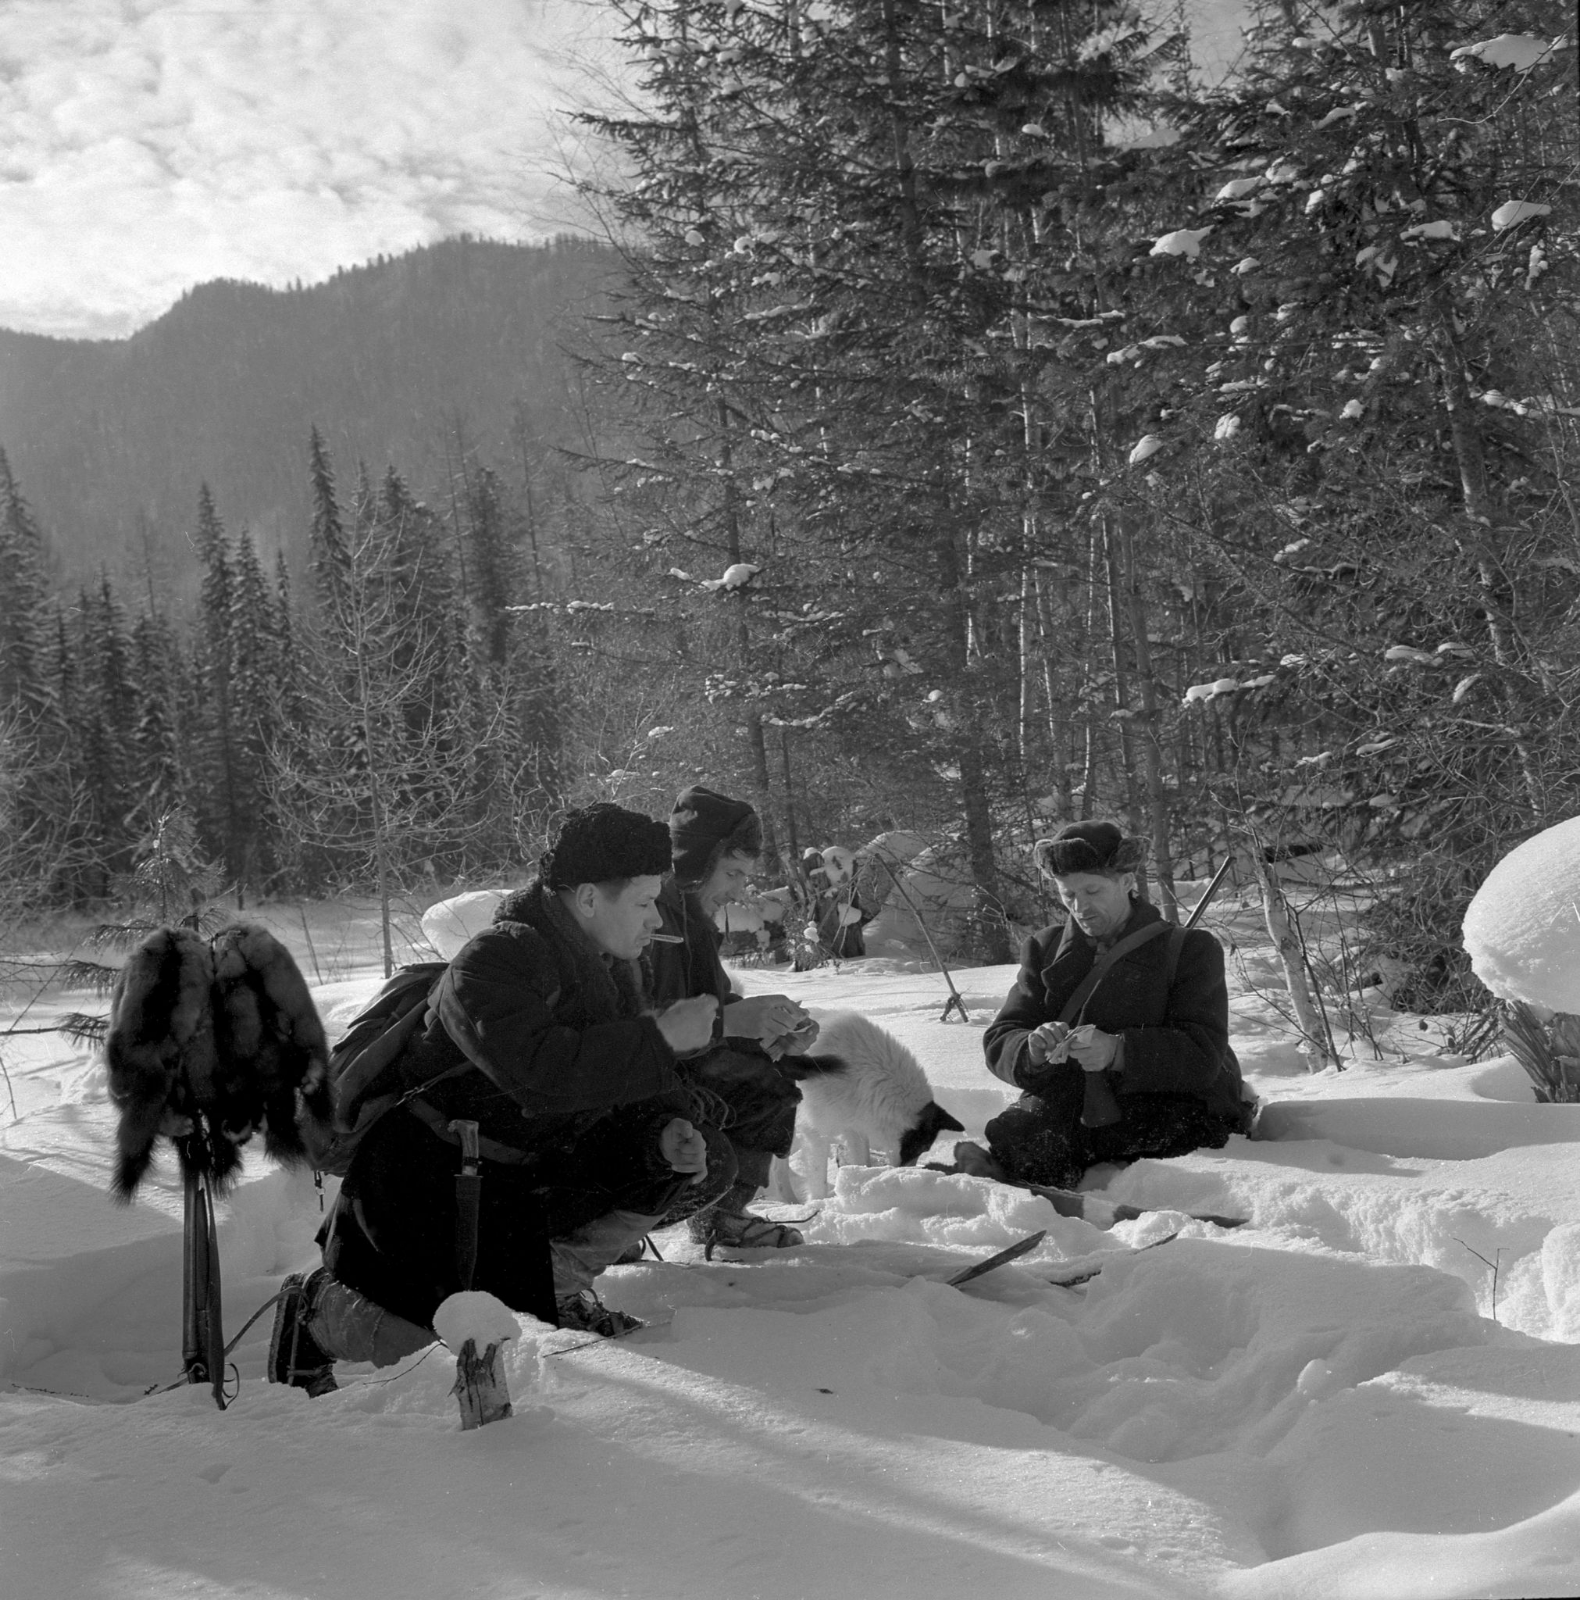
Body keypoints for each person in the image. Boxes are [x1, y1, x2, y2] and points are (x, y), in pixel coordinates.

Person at [269, 803, 729, 1395]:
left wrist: (662, 1127)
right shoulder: (498, 958)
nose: (655, 920)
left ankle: (553, 1295)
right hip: (430, 1184)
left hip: (519, 1179)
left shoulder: (608, 968)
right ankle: (313, 1313)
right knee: (434, 1342)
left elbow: (607, 1080)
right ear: (588, 898)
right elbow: (539, 1073)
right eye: (643, 902)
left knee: (672, 1164)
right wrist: (660, 1037)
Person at [955, 820, 1246, 1190]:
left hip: (1173, 1102)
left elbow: (1203, 1055)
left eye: (1092, 890)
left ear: (1126, 881)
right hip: (1075, 1099)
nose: (1080, 906)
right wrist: (1031, 1050)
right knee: (1020, 1133)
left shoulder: (1190, 950)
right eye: (1068, 894)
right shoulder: (1044, 948)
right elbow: (1001, 1036)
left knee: (1061, 1138)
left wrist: (1118, 1051)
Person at [646, 785, 818, 1250]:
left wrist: (772, 1032)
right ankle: (616, 1228)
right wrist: (734, 1023)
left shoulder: (693, 918)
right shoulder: (646, 917)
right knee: (748, 1090)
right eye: (732, 872)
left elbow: (718, 1006)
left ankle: (720, 1217)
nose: (738, 889)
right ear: (696, 861)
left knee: (765, 1077)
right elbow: (642, 1021)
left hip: (679, 1065)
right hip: (637, 1077)